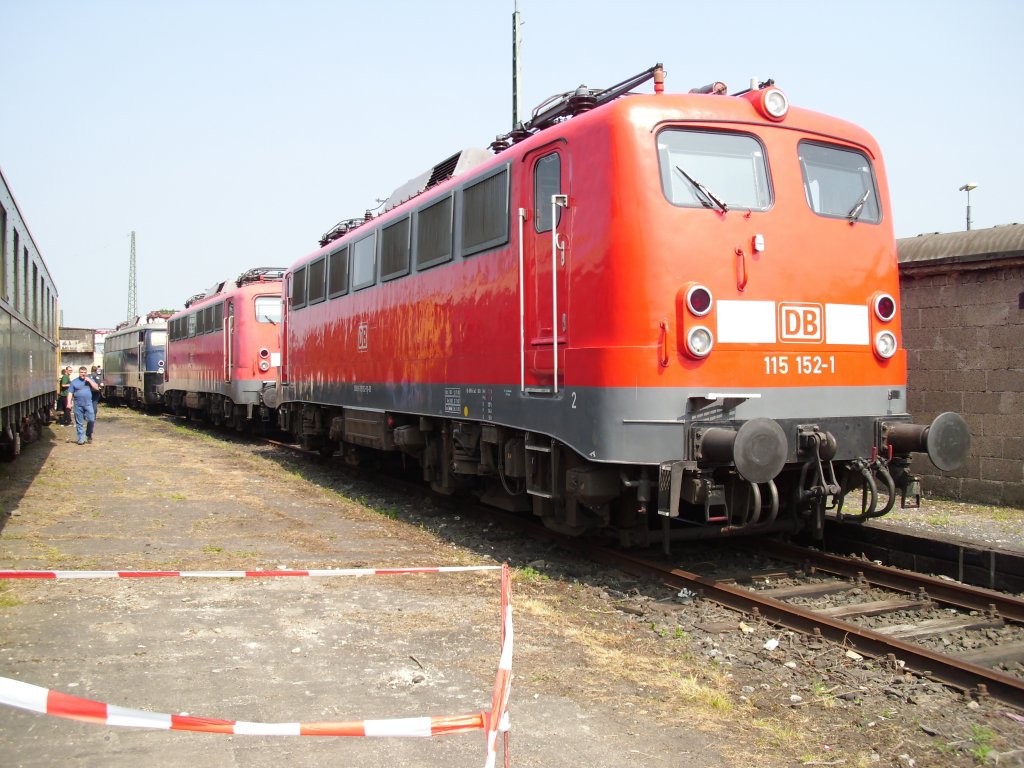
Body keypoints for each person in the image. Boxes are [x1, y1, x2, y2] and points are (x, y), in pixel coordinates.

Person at [67, 366, 100, 445]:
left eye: (85, 373)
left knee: (91, 419)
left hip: (88, 404)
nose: (83, 374)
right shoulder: (74, 382)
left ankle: (88, 434)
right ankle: (81, 439)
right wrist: (68, 403)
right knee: (79, 422)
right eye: (81, 372)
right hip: (78, 405)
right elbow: (70, 393)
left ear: (86, 373)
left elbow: (96, 388)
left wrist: (89, 381)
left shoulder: (89, 380)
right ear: (79, 373)